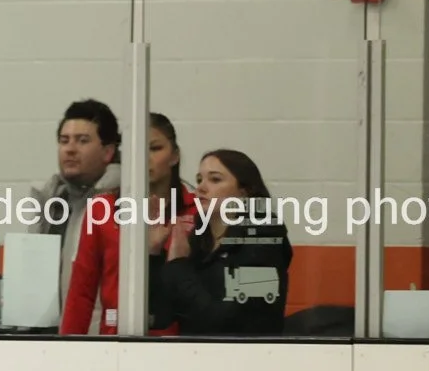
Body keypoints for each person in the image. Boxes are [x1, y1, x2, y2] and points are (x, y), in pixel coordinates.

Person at [61, 113, 194, 336]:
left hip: (180, 341)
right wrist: (67, 348)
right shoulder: (102, 209)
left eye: (155, 148)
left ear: (174, 155)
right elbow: (81, 292)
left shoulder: (195, 210)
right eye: (135, 150)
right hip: (116, 337)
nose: (144, 158)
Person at [155, 149, 294, 336]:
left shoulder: (265, 237)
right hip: (195, 351)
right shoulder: (198, 239)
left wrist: (179, 266)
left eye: (215, 179)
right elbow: (159, 317)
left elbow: (229, 323)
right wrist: (153, 254)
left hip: (248, 352)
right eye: (199, 180)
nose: (201, 188)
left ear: (244, 192)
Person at [30, 99, 122, 304]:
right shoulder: (52, 202)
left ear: (108, 152)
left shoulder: (123, 203)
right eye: (64, 141)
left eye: (82, 141)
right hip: (53, 322)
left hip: (101, 324)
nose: (70, 149)